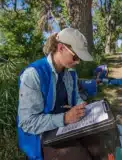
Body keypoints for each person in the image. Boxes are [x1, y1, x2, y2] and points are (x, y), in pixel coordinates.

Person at [17, 28, 107, 160]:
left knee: (98, 146)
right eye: (75, 57)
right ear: (60, 48)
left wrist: (81, 104)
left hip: (66, 126)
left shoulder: (71, 73)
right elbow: (27, 123)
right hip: (42, 135)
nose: (77, 62)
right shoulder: (33, 74)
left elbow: (75, 96)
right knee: (79, 157)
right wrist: (65, 118)